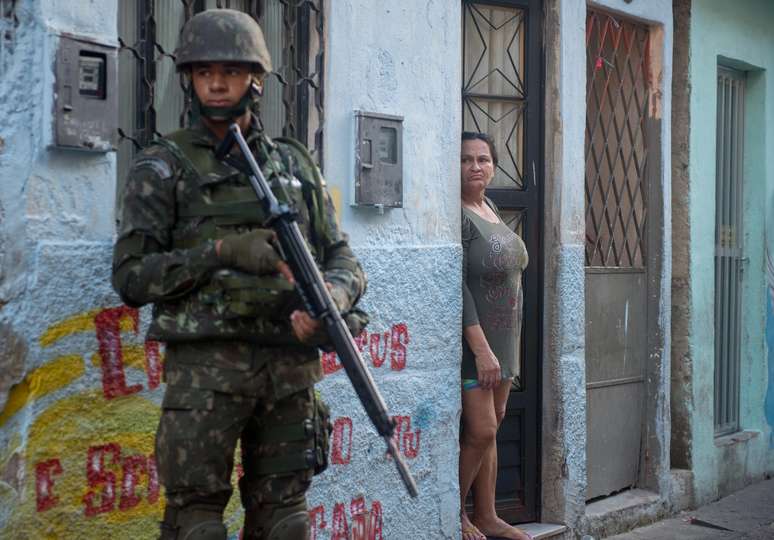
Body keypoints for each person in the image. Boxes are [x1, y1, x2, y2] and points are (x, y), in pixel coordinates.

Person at [111, 9, 367, 540]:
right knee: (196, 525)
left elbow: (342, 257)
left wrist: (331, 302)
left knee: (287, 524)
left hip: (288, 370)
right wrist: (222, 251)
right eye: (205, 72)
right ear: (190, 80)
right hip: (207, 374)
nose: (218, 83)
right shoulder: (163, 166)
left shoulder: (295, 166)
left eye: (230, 70)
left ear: (256, 78)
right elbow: (132, 278)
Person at [459, 132, 531, 540]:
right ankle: (456, 513)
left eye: (483, 159)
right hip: (479, 347)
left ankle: (487, 515)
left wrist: (502, 353)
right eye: (466, 159)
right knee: (482, 429)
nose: (475, 166)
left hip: (507, 342)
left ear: (494, 165)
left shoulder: (490, 206)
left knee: (495, 426)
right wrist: (482, 351)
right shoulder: (458, 215)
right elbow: (460, 288)